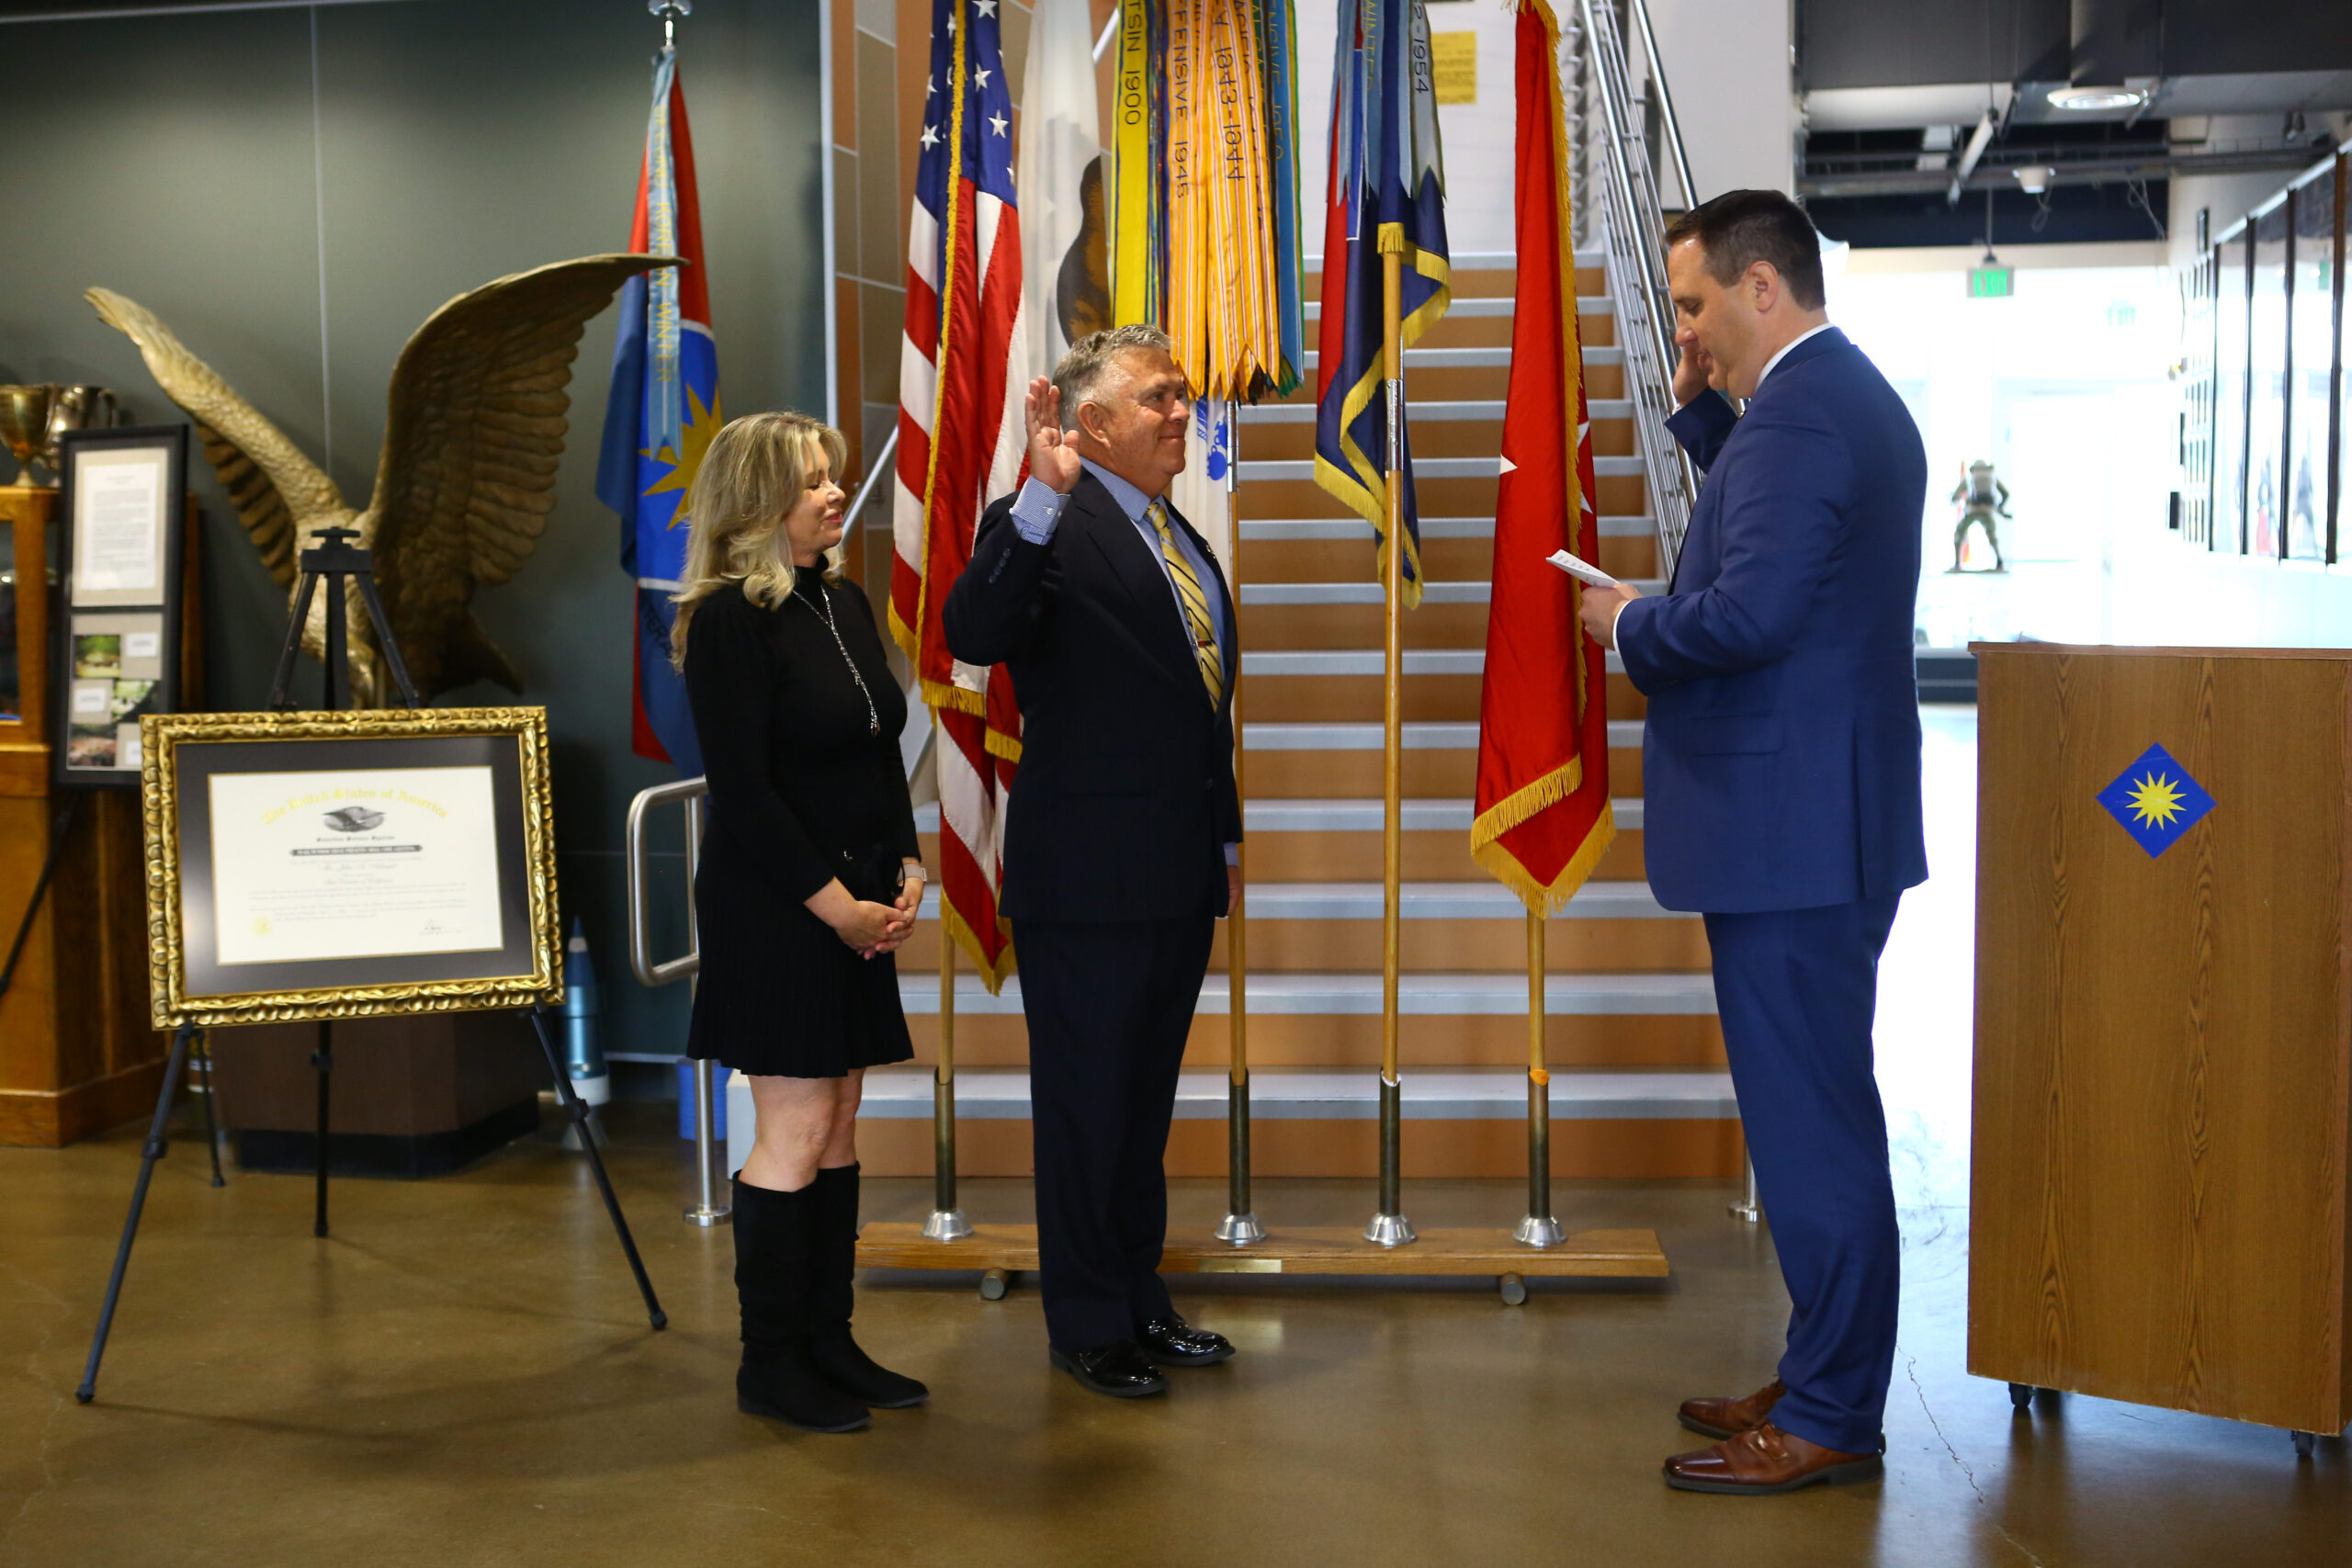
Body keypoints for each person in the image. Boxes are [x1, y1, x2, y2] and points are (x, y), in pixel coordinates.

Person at [1577, 189, 1928, 1495]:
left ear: (1761, 287)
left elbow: (1748, 612)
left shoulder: (1801, 415)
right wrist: (1705, 409)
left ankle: (1833, 1408)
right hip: (1826, 822)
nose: (1690, 328)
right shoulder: (1839, 402)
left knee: (1812, 1135)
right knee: (1820, 1118)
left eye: (1696, 304)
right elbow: (1794, 544)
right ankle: (1824, 1365)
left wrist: (1626, 624)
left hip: (1790, 836)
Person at [944, 325, 1243, 1400]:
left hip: (1170, 874)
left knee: (1141, 1108)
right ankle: (1085, 1321)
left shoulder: (1178, 535)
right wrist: (1035, 496)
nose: (1182, 413)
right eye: (1160, 397)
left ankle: (1137, 1299)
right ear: (1093, 424)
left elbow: (1197, 704)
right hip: (1086, 880)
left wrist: (1225, 838)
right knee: (1086, 1108)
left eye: (1181, 395)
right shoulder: (1046, 523)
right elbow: (973, 630)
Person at [672, 411, 931, 1435]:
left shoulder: (842, 598)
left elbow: (878, 748)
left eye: (832, 476)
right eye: (811, 482)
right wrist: (837, 910)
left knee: (840, 1125)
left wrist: (905, 867)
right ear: (756, 504)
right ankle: (770, 1363)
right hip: (779, 908)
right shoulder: (729, 617)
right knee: (796, 1126)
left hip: (856, 898)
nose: (834, 494)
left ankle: (831, 1341)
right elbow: (744, 790)